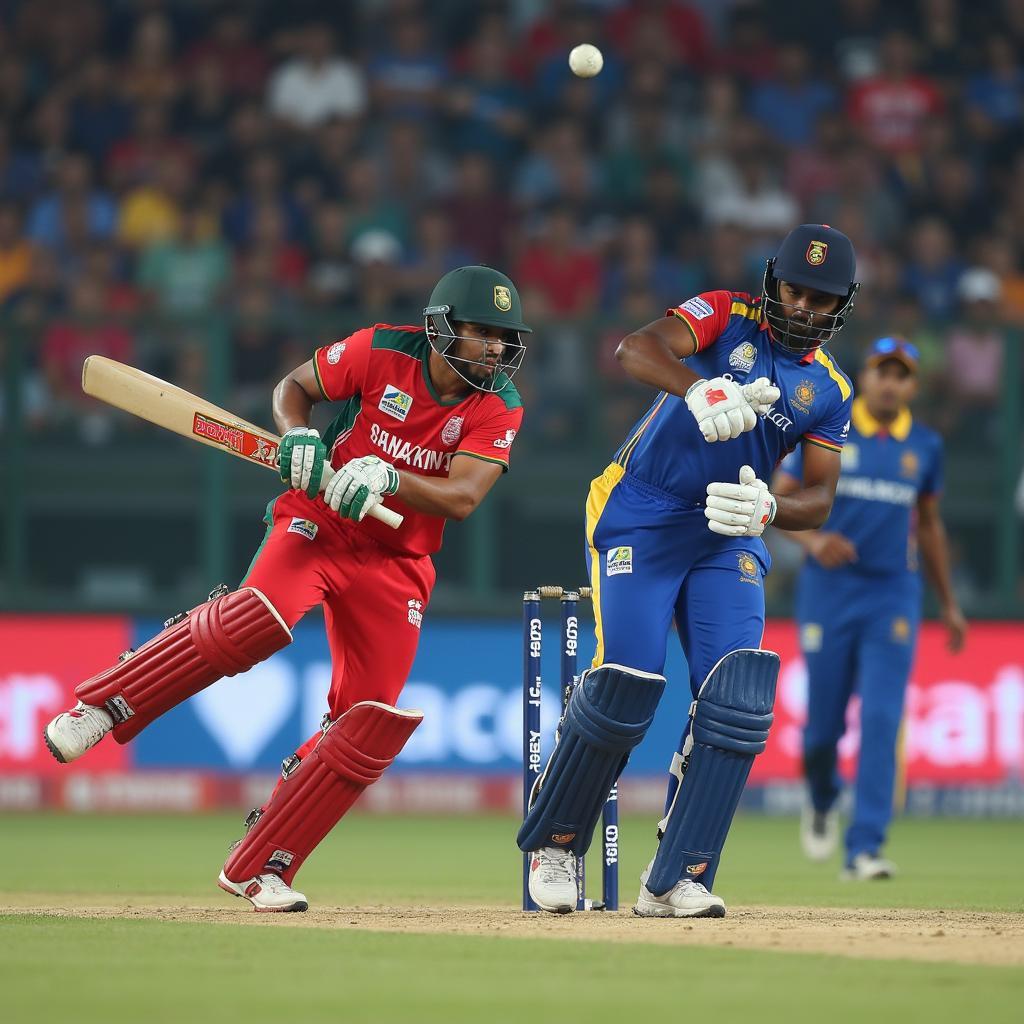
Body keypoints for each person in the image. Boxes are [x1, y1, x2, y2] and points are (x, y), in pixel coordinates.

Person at [44, 265, 529, 912]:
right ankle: (104, 704)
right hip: (319, 519)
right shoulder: (381, 348)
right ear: (441, 329)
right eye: (482, 333)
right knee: (261, 619)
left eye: (504, 337)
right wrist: (298, 431)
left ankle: (261, 864)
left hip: (398, 560)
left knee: (367, 724)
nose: (496, 349)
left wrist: (387, 476)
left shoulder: (500, 404)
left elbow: (463, 496)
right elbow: (294, 389)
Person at [518, 224, 859, 917]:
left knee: (736, 694)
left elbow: (820, 499)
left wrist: (769, 508)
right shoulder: (724, 314)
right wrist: (699, 389)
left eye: (821, 299)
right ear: (772, 283)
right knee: (629, 681)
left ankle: (677, 876)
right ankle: (556, 844)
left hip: (728, 528)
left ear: (841, 305)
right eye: (795, 290)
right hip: (640, 509)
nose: (804, 308)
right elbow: (634, 348)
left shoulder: (828, 389)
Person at [774, 336, 966, 879]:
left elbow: (928, 525)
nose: (890, 383)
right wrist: (815, 544)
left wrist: (949, 604)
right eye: (883, 371)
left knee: (882, 719)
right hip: (829, 590)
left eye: (901, 375)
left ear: (914, 386)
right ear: (866, 375)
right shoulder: (828, 426)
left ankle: (864, 848)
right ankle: (820, 797)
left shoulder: (924, 445)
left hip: (893, 594)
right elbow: (777, 498)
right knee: (821, 731)